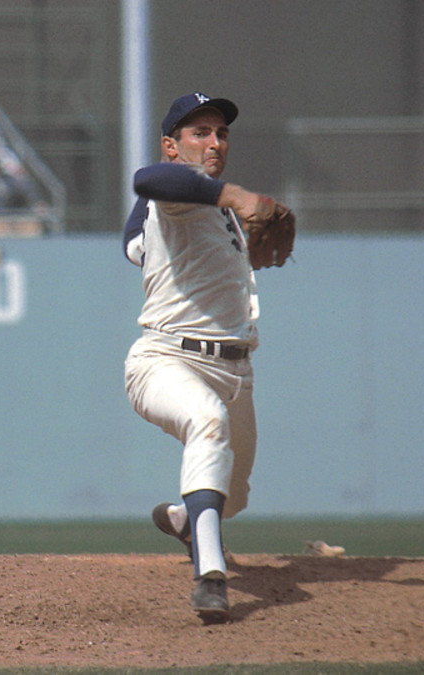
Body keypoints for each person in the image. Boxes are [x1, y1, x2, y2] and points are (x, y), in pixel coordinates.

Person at [122, 92, 287, 623]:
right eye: (199, 133)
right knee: (206, 423)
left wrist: (141, 238)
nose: (214, 142)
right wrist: (237, 195)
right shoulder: (180, 198)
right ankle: (210, 578)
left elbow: (134, 239)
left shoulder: (215, 214)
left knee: (231, 497)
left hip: (236, 372)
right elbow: (149, 181)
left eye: (221, 133)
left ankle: (185, 521)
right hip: (166, 360)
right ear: (171, 146)